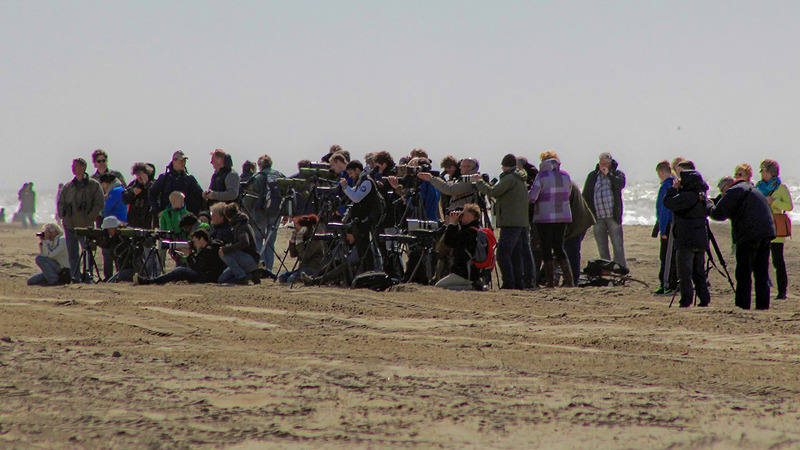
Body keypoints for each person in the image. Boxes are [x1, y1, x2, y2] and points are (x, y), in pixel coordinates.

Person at [709, 172, 776, 310]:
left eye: (722, 192)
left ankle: (742, 305)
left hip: (749, 234)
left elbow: (718, 214)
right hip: (766, 232)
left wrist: (708, 206)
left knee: (743, 272)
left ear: (727, 186)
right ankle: (763, 306)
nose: (722, 196)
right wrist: (717, 201)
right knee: (761, 272)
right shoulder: (749, 188)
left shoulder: (734, 191)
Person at [473, 153, 534, 289]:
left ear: (504, 166)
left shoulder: (509, 179)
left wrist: (479, 181)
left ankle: (509, 282)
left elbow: (493, 192)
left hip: (510, 221)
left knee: (502, 253)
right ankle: (518, 282)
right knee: (515, 254)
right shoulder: (520, 178)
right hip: (520, 221)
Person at [663, 166, 712, 308]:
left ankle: (686, 300)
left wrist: (673, 189)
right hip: (700, 238)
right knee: (699, 272)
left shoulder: (686, 196)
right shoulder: (701, 196)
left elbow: (668, 202)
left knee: (684, 274)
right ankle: (704, 299)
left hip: (685, 239)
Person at [529, 156, 573, 288]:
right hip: (563, 216)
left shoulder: (541, 176)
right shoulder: (565, 176)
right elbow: (569, 193)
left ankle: (550, 282)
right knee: (559, 247)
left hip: (544, 216)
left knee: (546, 247)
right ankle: (569, 280)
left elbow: (532, 197)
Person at [58, 158, 105, 283]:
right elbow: (61, 202)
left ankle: (88, 276)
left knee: (88, 253)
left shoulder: (93, 185)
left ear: (83, 167)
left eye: (76, 166)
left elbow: (99, 203)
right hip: (69, 225)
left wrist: (90, 216)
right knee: (73, 254)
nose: (73, 168)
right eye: (72, 166)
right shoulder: (69, 186)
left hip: (85, 226)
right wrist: (63, 215)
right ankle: (75, 277)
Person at [756, 159, 793, 300]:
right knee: (761, 260)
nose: (761, 173)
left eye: (763, 170)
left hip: (776, 228)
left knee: (778, 260)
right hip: (762, 226)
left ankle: (782, 290)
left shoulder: (781, 187)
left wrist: (774, 202)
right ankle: (764, 288)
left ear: (771, 172)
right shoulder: (758, 187)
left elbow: (789, 206)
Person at [134, 229, 226, 285]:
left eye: (194, 241)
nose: (193, 244)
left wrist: (189, 256)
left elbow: (197, 268)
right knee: (179, 271)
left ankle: (150, 281)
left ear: (201, 239)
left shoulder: (209, 250)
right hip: (208, 276)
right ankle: (153, 280)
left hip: (208, 278)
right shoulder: (209, 248)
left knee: (180, 270)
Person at [242, 154, 285, 272]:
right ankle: (269, 268)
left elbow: (251, 196)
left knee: (258, 240)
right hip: (276, 213)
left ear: (260, 165)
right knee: (270, 242)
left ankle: (261, 266)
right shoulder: (279, 175)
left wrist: (246, 210)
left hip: (260, 212)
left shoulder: (259, 177)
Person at [583, 152, 627, 268]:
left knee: (617, 244)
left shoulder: (617, 174)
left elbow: (620, 185)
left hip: (612, 215)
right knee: (602, 245)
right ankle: (606, 266)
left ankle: (620, 267)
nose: (604, 166)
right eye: (602, 163)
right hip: (598, 216)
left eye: (606, 164)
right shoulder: (593, 176)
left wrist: (609, 175)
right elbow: (586, 194)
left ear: (610, 163)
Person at [340, 160, 384, 271]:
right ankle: (364, 271)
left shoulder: (367, 182)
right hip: (360, 222)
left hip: (367, 222)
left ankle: (370, 271)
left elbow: (356, 197)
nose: (350, 176)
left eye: (351, 173)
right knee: (361, 251)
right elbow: (354, 193)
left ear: (358, 170)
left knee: (366, 251)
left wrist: (345, 187)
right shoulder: (360, 181)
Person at [435, 204, 483, 291]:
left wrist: (452, 223)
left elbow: (449, 242)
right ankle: (473, 285)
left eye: (464, 214)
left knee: (439, 287)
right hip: (473, 273)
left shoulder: (469, 232)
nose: (461, 216)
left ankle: (471, 287)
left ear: (472, 216)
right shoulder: (476, 229)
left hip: (463, 273)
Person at [218, 203, 260, 284]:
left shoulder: (241, 226)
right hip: (246, 259)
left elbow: (244, 242)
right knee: (222, 280)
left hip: (250, 259)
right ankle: (250, 275)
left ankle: (242, 277)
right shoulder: (241, 223)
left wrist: (226, 249)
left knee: (223, 254)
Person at [278, 214, 325, 285]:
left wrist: (299, 241)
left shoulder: (314, 239)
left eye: (298, 228)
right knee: (282, 277)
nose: (296, 229)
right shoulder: (303, 236)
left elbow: (304, 255)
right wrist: (293, 241)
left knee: (291, 279)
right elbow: (293, 254)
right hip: (303, 267)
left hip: (312, 267)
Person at [564, 180, 595, 285]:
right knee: (568, 250)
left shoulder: (564, 184)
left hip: (578, 222)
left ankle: (573, 280)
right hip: (576, 220)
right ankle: (570, 279)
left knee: (572, 250)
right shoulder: (564, 181)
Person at [654, 160, 677, 294]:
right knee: (673, 256)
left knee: (666, 257)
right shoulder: (677, 183)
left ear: (662, 173)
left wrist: (662, 230)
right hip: (676, 225)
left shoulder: (666, 187)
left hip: (669, 225)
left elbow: (664, 210)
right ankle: (672, 283)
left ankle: (667, 284)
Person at [96, 216, 136, 283]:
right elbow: (106, 246)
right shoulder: (114, 237)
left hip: (131, 268)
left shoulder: (126, 235)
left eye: (110, 229)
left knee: (113, 281)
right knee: (111, 281)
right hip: (122, 268)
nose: (109, 231)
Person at [122, 163, 156, 229]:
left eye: (141, 174)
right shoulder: (133, 185)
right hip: (134, 221)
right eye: (137, 174)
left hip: (148, 221)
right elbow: (124, 199)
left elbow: (155, 195)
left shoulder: (154, 184)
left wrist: (146, 183)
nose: (139, 177)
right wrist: (132, 193)